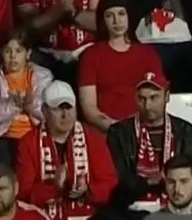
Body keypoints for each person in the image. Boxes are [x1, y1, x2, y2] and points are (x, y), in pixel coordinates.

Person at [14, 81, 118, 218]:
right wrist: (53, 187)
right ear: (44, 111)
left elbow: (110, 184)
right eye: (58, 109)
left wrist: (87, 191)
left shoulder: (93, 138)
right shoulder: (28, 143)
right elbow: (23, 192)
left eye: (69, 108)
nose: (65, 115)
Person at [106, 72, 192, 213]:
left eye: (154, 98)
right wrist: (152, 181)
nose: (147, 106)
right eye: (141, 99)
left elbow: (189, 174)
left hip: (175, 202)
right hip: (132, 206)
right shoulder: (119, 132)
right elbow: (120, 178)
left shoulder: (186, 132)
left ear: (167, 96)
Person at [77, 0, 168, 130]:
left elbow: (157, 101)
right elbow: (90, 109)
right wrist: (118, 130)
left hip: (143, 130)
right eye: (109, 15)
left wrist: (136, 130)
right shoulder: (90, 56)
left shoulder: (148, 54)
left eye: (121, 14)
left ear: (128, 17)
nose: (116, 21)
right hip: (105, 131)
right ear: (102, 20)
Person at [0, 29, 53, 144]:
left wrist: (31, 106)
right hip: (3, 138)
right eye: (7, 51)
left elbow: (51, 114)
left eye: (18, 51)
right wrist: (10, 105)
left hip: (36, 137)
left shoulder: (43, 77)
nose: (12, 56)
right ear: (1, 53)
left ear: (28, 54)